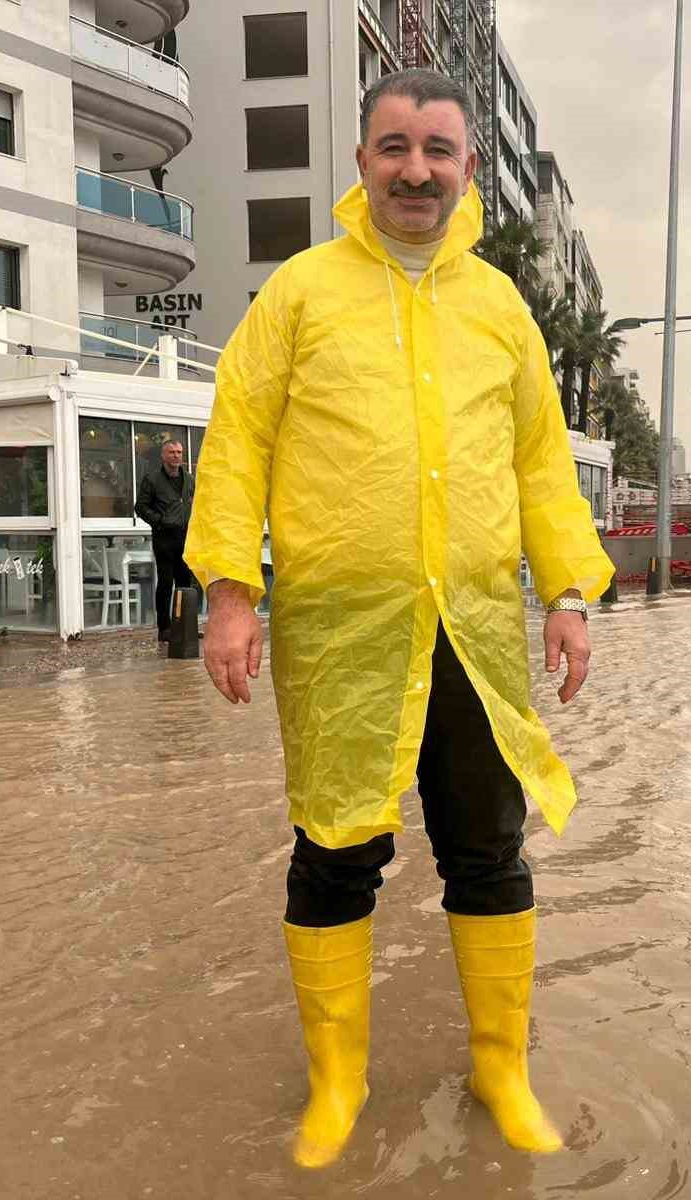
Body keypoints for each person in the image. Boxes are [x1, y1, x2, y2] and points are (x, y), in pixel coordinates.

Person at [185, 69, 613, 1169]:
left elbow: (538, 461)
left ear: (468, 166)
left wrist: (566, 593)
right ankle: (336, 1085)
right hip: (341, 638)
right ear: (362, 161)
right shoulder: (300, 294)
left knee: (491, 851)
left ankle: (500, 1069)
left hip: (474, 629)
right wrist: (230, 593)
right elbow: (238, 439)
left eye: (437, 149)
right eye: (393, 147)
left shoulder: (500, 306)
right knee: (333, 852)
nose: (416, 169)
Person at [135, 437, 194, 642]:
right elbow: (140, 507)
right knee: (166, 583)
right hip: (164, 538)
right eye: (172, 452)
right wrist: (159, 521)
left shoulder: (188, 479)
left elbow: (194, 502)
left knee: (185, 583)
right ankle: (164, 628)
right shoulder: (152, 480)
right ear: (163, 456)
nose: (176, 456)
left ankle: (186, 627)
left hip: (185, 537)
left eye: (179, 452)